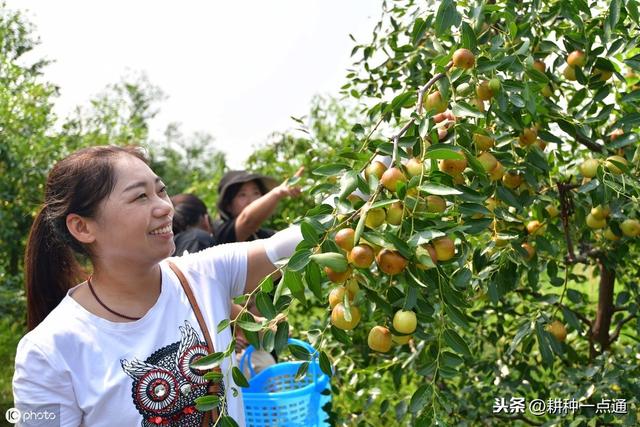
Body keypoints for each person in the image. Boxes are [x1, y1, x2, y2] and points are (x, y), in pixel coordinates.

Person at [12, 146, 302, 426]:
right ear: (83, 227)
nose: (165, 207)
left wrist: (345, 201)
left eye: (161, 191)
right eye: (140, 196)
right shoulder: (48, 351)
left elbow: (292, 243)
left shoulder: (204, 276)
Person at [213, 168, 303, 244]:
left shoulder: (264, 236)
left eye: (256, 193)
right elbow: (247, 220)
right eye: (242, 195)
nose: (251, 200)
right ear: (228, 205)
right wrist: (278, 193)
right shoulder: (222, 232)